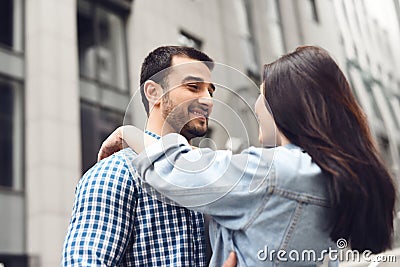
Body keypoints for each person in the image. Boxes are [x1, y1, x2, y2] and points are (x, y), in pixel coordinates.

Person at [99, 46, 396, 266]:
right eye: (193, 86)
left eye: (263, 93)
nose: (256, 104)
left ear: (286, 106)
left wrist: (129, 133)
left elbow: (176, 168)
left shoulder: (275, 172)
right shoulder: (332, 178)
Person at [62, 45, 236, 266]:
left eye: (210, 91)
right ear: (154, 92)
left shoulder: (211, 174)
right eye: (194, 87)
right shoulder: (116, 172)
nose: (208, 100)